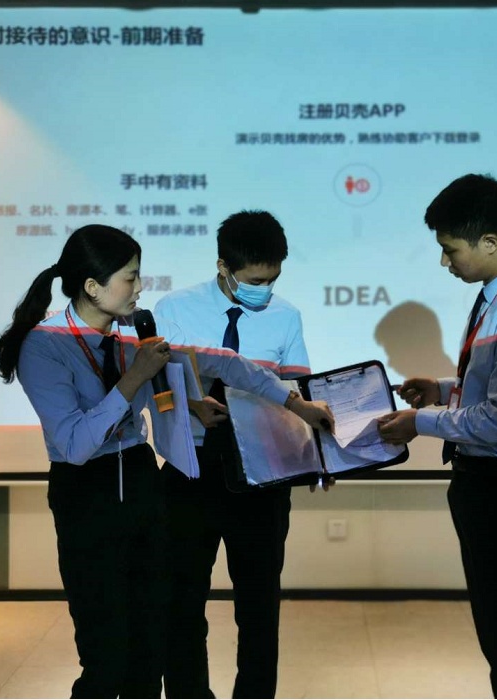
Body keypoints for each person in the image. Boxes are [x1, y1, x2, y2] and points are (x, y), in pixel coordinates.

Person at [0, 224, 333, 699]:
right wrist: (135, 379)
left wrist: (297, 406)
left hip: (142, 483)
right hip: (87, 495)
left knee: (150, 647)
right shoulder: (45, 344)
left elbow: (227, 363)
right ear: (92, 286)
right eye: (130, 277)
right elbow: (74, 445)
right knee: (105, 656)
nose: (140, 287)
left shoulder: (131, 335)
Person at [377, 174, 497, 699]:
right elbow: (493, 383)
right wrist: (441, 389)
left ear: (489, 242)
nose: (445, 262)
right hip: (487, 486)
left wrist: (419, 422)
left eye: (450, 249)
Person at [154, 210, 312, 699]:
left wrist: (314, 454)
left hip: (262, 477)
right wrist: (189, 405)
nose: (265, 289)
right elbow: (154, 388)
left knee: (259, 609)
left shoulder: (287, 316)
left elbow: (298, 395)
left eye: (272, 279)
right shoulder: (173, 308)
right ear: (223, 266)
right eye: (255, 281)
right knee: (181, 604)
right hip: (190, 471)